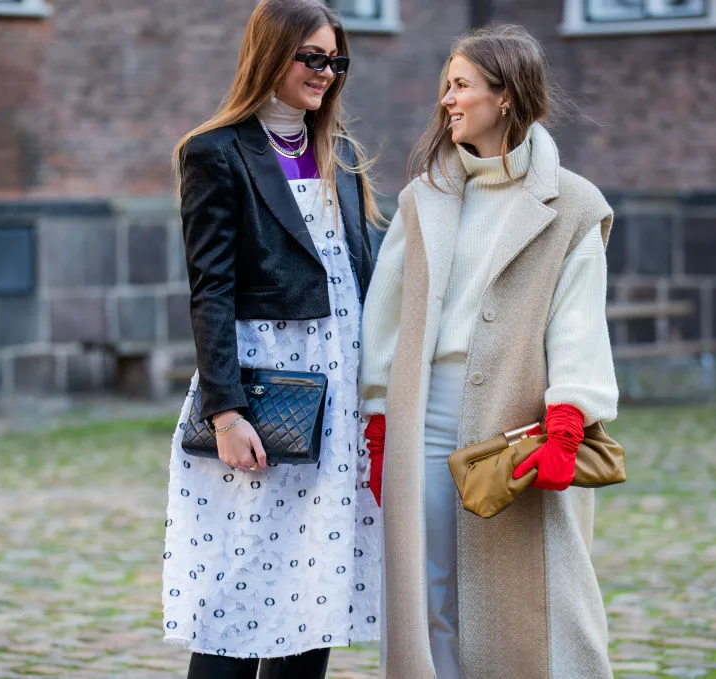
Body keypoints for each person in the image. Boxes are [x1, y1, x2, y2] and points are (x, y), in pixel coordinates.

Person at [361, 24, 619, 679]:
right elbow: (385, 316)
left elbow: (579, 321)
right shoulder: (425, 199)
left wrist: (568, 420)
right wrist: (379, 424)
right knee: (429, 594)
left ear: (505, 96)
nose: (446, 98)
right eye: (446, 85)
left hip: (518, 424)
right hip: (424, 414)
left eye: (461, 85)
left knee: (530, 598)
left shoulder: (573, 206)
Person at [161, 1, 383, 678]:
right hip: (265, 393)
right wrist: (225, 412)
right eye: (311, 57)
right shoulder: (216, 152)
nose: (325, 72)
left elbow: (365, 273)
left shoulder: (339, 153)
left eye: (334, 59)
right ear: (271, 55)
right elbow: (212, 290)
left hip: (338, 397)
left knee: (312, 596)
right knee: (237, 595)